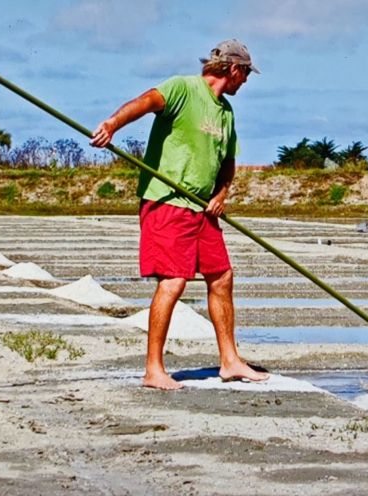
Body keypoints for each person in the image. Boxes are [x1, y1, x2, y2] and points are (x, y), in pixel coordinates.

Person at [90, 39, 269, 390]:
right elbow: (145, 102)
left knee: (222, 276)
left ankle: (230, 361)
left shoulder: (226, 112)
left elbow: (228, 162)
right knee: (173, 281)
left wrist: (221, 194)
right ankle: (153, 370)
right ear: (233, 69)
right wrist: (112, 124)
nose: (246, 81)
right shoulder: (182, 88)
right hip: (168, 201)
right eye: (245, 73)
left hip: (202, 209)